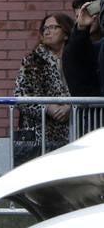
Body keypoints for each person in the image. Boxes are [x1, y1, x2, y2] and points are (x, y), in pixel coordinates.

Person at [13, 11, 74, 164]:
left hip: (71, 133)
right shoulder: (32, 62)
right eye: (45, 28)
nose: (47, 31)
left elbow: (87, 92)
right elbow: (20, 96)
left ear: (66, 33)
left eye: (53, 27)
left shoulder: (76, 60)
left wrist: (71, 107)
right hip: (38, 135)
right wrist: (47, 107)